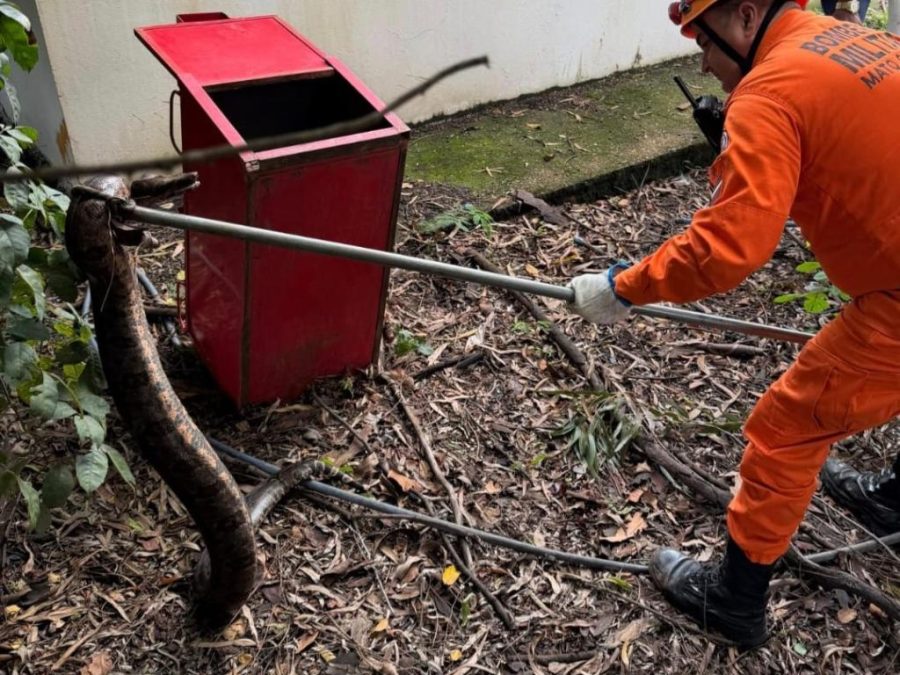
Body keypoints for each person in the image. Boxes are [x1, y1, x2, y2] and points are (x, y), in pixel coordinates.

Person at [569, 0, 900, 648]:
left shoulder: (769, 93)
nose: (704, 63)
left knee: (786, 428)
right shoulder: (857, 42)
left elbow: (727, 249)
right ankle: (893, 500)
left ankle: (734, 600)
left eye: (704, 41)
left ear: (746, 15)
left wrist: (622, 288)